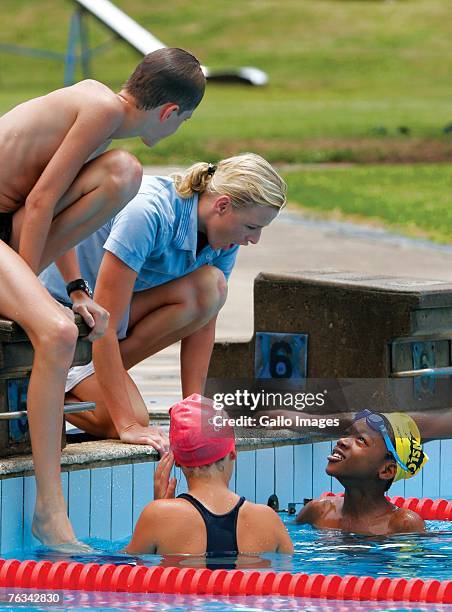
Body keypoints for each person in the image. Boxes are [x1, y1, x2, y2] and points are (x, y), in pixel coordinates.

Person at [0, 47, 205, 548]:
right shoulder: (102, 111)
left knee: (123, 174)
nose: (177, 132)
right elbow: (43, 201)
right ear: (169, 113)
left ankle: (21, 294)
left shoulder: (100, 111)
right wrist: (32, 301)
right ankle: (50, 510)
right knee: (58, 332)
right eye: (183, 123)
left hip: (9, 226)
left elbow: (38, 205)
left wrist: (74, 288)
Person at [40, 153, 287, 444]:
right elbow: (105, 324)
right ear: (223, 205)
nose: (254, 239)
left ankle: (89, 379)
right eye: (252, 227)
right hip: (68, 320)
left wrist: (194, 410)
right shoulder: (146, 213)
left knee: (211, 288)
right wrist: (128, 425)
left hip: (106, 325)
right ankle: (38, 389)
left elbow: (205, 322)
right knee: (125, 417)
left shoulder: (224, 235)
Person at [125, 394, 293, 557]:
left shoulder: (157, 515)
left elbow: (123, 569)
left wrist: (160, 509)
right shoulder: (268, 521)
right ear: (233, 453)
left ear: (176, 460)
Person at [296, 410, 428, 535]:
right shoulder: (317, 511)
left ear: (386, 470)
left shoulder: (402, 525)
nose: (342, 441)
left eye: (361, 439)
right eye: (347, 434)